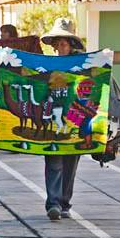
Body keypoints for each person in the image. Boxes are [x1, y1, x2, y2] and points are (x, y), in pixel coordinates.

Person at [40, 18, 86, 220]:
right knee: (53, 162)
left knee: (70, 165)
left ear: (72, 45)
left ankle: (64, 202)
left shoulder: (84, 67)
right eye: (57, 44)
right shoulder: (48, 66)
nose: (60, 48)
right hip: (53, 122)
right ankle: (53, 204)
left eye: (64, 44)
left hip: (76, 122)